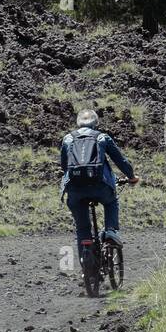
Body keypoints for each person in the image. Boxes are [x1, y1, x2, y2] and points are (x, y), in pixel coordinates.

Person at [60, 109, 138, 258]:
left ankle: (86, 268)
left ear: (78, 123)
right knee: (111, 201)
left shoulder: (68, 139)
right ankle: (110, 231)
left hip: (75, 190)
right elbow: (120, 161)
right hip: (100, 187)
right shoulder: (102, 137)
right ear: (96, 123)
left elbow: (64, 166)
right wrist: (131, 176)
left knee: (82, 228)